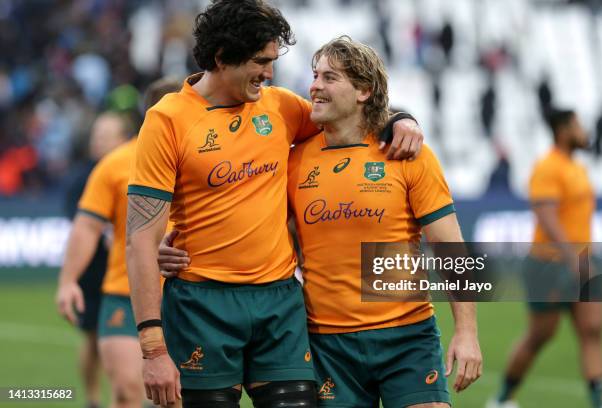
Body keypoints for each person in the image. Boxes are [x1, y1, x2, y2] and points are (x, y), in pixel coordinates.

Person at [125, 1, 425, 407]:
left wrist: (401, 118)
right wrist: (153, 349)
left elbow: (351, 114)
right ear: (221, 58)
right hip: (201, 304)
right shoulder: (167, 121)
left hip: (279, 303)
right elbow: (140, 240)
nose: (269, 73)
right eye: (260, 62)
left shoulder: (280, 106)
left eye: (272, 61)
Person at [160, 36, 482, 408]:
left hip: (407, 335)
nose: (314, 86)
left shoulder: (407, 154)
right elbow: (244, 218)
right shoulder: (292, 161)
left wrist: (467, 332)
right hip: (328, 344)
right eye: (315, 76)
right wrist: (168, 244)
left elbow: (451, 249)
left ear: (363, 90)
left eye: (330, 78)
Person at [56, 78, 182, 408]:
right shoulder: (115, 164)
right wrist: (68, 281)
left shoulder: (204, 157)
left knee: (177, 399)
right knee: (128, 390)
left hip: (186, 294)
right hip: (124, 293)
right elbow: (86, 226)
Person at [487, 110, 602, 408]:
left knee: (592, 328)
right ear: (563, 130)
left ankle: (599, 401)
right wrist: (571, 259)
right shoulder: (547, 167)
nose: (584, 131)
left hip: (581, 261)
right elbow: (547, 216)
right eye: (578, 125)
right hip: (549, 264)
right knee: (541, 334)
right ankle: (502, 398)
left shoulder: (576, 167)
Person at [60, 112, 127, 408]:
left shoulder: (139, 165)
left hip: (127, 270)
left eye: (105, 136)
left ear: (123, 139)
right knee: (91, 335)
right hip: (95, 268)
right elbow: (79, 222)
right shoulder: (83, 177)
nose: (97, 141)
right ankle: (92, 398)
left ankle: (130, 391)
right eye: (96, 136)